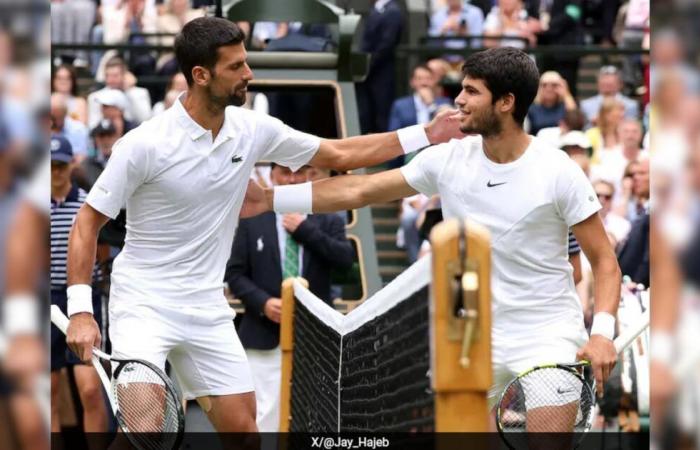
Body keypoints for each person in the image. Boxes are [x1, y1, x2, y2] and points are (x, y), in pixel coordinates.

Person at [64, 17, 463, 434]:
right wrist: (81, 311)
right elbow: (85, 224)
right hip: (143, 303)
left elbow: (339, 154)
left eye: (245, 62)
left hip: (205, 306)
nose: (248, 74)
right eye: (235, 67)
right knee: (145, 433)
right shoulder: (143, 145)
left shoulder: (252, 130)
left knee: (245, 434)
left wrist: (426, 134)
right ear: (201, 76)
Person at [256, 47, 621, 431]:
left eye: (471, 91)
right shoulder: (447, 160)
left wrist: (601, 334)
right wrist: (269, 199)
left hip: (547, 333)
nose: (458, 101)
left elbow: (604, 262)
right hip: (470, 336)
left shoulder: (559, 171)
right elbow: (359, 191)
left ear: (506, 103)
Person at [225, 164, 354, 431]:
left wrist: (305, 229)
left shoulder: (327, 216)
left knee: (317, 415)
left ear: (309, 174)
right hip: (263, 335)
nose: (292, 178)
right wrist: (263, 303)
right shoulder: (251, 218)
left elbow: (345, 260)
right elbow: (235, 273)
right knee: (264, 417)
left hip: (316, 337)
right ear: (273, 175)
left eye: (300, 171)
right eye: (285, 171)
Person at [49, 135, 108, 436]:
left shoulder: (89, 202)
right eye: (49, 166)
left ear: (71, 164)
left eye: (60, 165)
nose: (55, 172)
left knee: (90, 390)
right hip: (46, 300)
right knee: (49, 394)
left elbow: (104, 247)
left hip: (84, 298)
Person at [356, 0, 403, 133]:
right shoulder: (376, 9)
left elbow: (387, 43)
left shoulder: (392, 10)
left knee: (382, 115)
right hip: (370, 73)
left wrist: (369, 64)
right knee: (367, 114)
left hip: (381, 73)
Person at [87, 57, 152, 128]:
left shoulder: (139, 93)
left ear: (125, 76)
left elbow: (146, 120)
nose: (110, 80)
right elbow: (93, 126)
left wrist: (129, 91)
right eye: (107, 76)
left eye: (115, 76)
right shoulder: (95, 97)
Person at [526, 71, 577, 135]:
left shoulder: (566, 106)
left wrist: (566, 94)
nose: (549, 89)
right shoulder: (531, 109)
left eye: (554, 85)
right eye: (544, 85)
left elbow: (575, 122)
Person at [51, 93, 90, 162]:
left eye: (58, 117)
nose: (54, 122)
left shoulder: (78, 129)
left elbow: (80, 158)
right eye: (52, 117)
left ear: (65, 114)